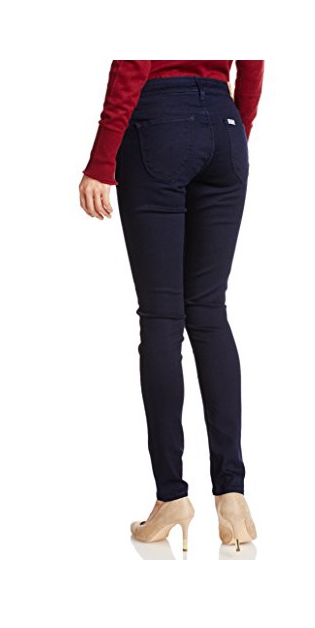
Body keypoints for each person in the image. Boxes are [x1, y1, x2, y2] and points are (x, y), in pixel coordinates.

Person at [79, 61, 264, 552]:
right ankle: (232, 495)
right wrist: (234, 131)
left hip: (157, 123)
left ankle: (171, 498)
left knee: (162, 319)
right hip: (224, 126)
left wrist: (101, 161)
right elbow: (253, 62)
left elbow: (133, 64)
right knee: (209, 312)